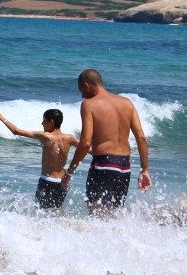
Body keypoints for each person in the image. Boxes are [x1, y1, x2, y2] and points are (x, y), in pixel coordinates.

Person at [62, 69, 151, 216]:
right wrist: (145, 169)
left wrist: (69, 171)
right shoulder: (127, 103)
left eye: (81, 90)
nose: (82, 95)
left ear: (86, 85)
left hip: (103, 165)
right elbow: (141, 137)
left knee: (96, 216)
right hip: (124, 167)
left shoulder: (88, 104)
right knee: (114, 216)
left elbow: (84, 143)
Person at [0, 109, 80, 209]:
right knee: (56, 212)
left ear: (51, 122)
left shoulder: (45, 136)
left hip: (47, 181)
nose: (42, 123)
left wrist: (1, 118)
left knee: (42, 213)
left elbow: (16, 131)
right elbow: (88, 149)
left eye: (44, 121)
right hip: (62, 182)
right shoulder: (70, 138)